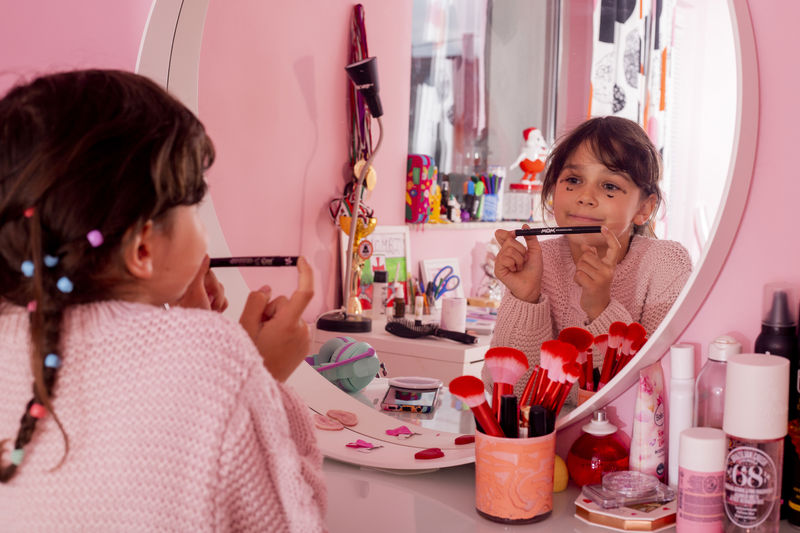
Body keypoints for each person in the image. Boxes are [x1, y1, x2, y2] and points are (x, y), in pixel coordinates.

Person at [0, 69, 326, 531]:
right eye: (196, 205)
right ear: (143, 250)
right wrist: (263, 379)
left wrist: (186, 324)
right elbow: (298, 518)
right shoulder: (214, 364)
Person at [489, 116, 692, 398]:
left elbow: (651, 393)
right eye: (573, 180)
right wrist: (526, 298)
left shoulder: (665, 265)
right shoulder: (537, 261)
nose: (585, 197)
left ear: (644, 208)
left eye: (609, 186)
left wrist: (601, 307)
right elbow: (510, 394)